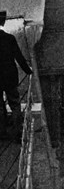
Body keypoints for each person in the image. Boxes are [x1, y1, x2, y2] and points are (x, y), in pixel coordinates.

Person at [0, 11, 33, 139]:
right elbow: (19, 57)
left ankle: (2, 132)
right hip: (10, 77)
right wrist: (29, 71)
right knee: (14, 103)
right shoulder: (10, 38)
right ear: (4, 22)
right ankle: (17, 132)